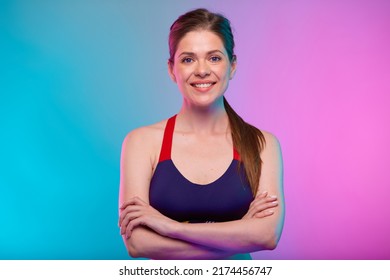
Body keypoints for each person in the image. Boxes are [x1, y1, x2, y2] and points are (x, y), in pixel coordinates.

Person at [118, 8, 284, 260]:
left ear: (233, 66)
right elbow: (138, 243)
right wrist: (238, 235)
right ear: (172, 69)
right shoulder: (142, 142)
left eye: (214, 58)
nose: (202, 70)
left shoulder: (263, 144)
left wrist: (171, 227)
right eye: (188, 59)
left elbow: (267, 235)